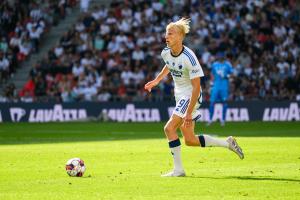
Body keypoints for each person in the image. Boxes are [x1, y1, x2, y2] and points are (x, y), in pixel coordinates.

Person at [144, 18, 244, 177]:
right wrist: (157, 80)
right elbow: (169, 65)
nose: (166, 36)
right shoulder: (165, 52)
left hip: (191, 95)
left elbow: (197, 87)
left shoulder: (190, 58)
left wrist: (189, 112)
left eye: (170, 33)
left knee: (169, 128)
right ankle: (228, 143)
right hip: (180, 96)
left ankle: (178, 170)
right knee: (189, 140)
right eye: (166, 33)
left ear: (180, 37)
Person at [207, 52, 233, 126]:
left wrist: (226, 76)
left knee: (224, 103)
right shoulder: (214, 64)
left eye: (221, 57)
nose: (220, 58)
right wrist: (211, 84)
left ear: (223, 57)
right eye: (219, 57)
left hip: (224, 86)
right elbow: (212, 74)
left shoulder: (227, 64)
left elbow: (232, 74)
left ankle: (223, 120)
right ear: (218, 57)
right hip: (216, 86)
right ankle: (210, 120)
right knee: (212, 103)